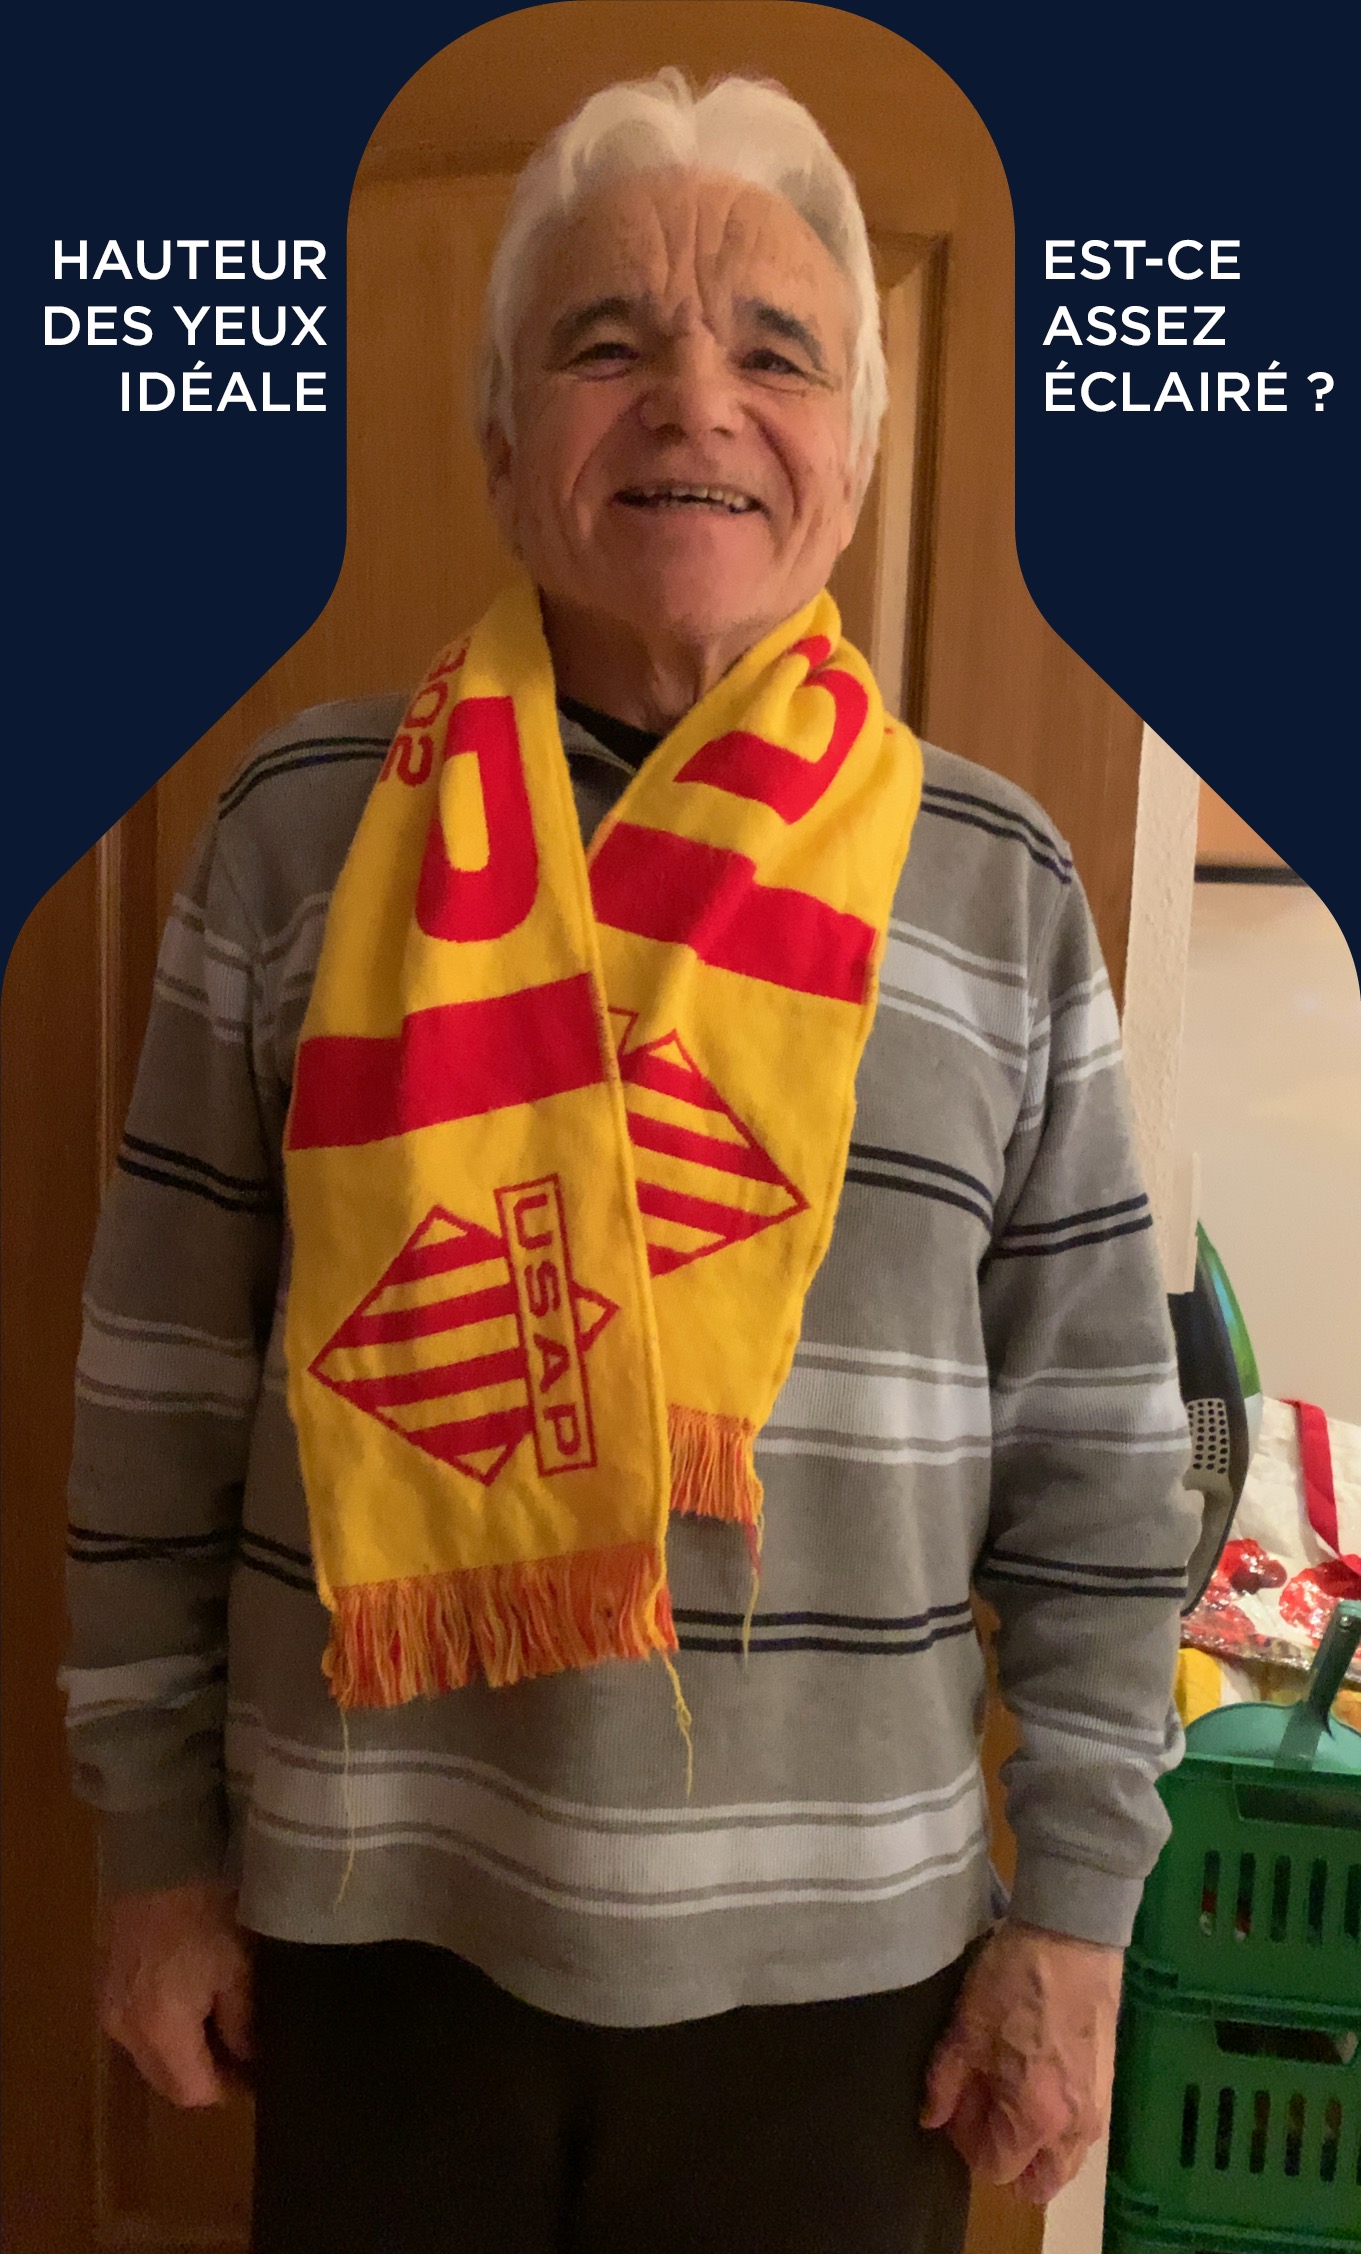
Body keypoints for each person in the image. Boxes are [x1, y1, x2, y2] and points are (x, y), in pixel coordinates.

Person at [64, 70, 1198, 2254]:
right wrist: (153, 1849)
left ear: (852, 456)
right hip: (371, 1931)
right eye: (608, 342)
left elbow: (1098, 1467)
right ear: (504, 449)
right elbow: (157, 1394)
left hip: (852, 1984)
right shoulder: (298, 836)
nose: (696, 396)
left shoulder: (995, 880)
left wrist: (1077, 1913)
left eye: (778, 349)